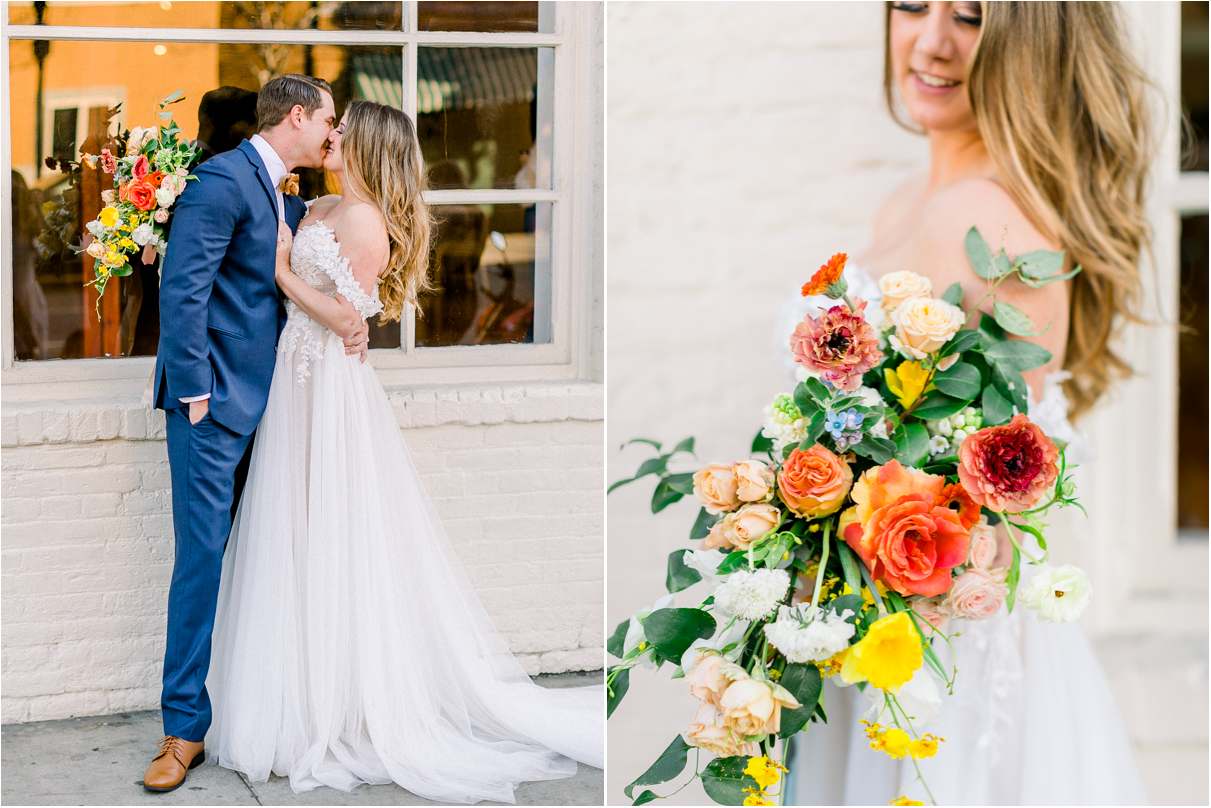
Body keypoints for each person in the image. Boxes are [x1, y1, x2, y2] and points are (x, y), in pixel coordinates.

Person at [778, 2, 1151, 804]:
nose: (931, 40)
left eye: (972, 17)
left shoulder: (980, 218)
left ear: (1029, 41)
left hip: (935, 654)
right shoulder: (908, 203)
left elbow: (993, 490)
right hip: (877, 627)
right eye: (912, 4)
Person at [201, 99, 604, 801]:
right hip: (293, 379)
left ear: (366, 146)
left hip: (328, 387)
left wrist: (282, 274)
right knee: (286, 525)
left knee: (331, 527)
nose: (331, 137)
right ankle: (288, 689)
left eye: (342, 132)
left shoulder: (366, 223)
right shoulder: (319, 204)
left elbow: (347, 318)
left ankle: (340, 703)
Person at [146, 74, 367, 792]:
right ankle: (182, 731)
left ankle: (260, 707)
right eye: (328, 119)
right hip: (214, 410)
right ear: (296, 117)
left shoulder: (286, 194)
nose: (333, 133)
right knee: (202, 563)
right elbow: (182, 290)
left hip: (279, 406)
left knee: (269, 559)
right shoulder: (221, 180)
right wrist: (194, 396)